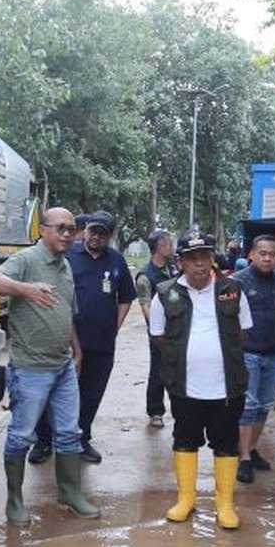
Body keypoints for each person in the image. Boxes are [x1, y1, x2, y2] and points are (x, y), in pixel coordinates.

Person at [0, 207, 99, 524]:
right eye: (60, 227)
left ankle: (70, 493)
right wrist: (27, 289)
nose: (68, 234)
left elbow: (66, 313)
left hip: (63, 367)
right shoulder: (27, 260)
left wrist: (77, 351)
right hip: (30, 369)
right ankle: (14, 501)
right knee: (21, 436)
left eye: (72, 228)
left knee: (69, 433)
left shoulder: (65, 266)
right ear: (42, 229)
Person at [150, 231, 252, 529]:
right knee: (185, 439)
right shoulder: (165, 292)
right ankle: (186, 499)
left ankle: (225, 504)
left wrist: (217, 355)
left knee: (227, 443)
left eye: (204, 257)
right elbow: (158, 336)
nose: (199, 264)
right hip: (185, 387)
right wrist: (186, 357)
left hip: (226, 387)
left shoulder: (232, 290)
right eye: (192, 258)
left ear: (212, 259)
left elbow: (242, 332)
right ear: (180, 262)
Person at [29, 211, 135, 464]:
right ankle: (43, 441)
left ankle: (81, 438)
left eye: (103, 233)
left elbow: (126, 298)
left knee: (91, 393)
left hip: (101, 342)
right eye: (93, 231)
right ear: (85, 230)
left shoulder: (116, 260)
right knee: (52, 392)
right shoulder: (67, 255)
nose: (96, 237)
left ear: (110, 236)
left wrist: (114, 327)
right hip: (64, 342)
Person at [231, 234, 275, 483]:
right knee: (248, 405)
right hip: (248, 352)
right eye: (262, 253)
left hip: (274, 352)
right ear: (251, 255)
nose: (267, 258)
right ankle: (243, 457)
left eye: (272, 254)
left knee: (265, 404)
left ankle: (252, 448)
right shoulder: (238, 282)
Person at [135, 229, 178, 428]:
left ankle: (180, 409)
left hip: (178, 327)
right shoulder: (145, 275)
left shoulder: (173, 268)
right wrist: (156, 330)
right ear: (160, 247)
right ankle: (155, 411)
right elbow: (145, 305)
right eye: (169, 244)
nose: (172, 248)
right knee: (159, 371)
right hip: (160, 332)